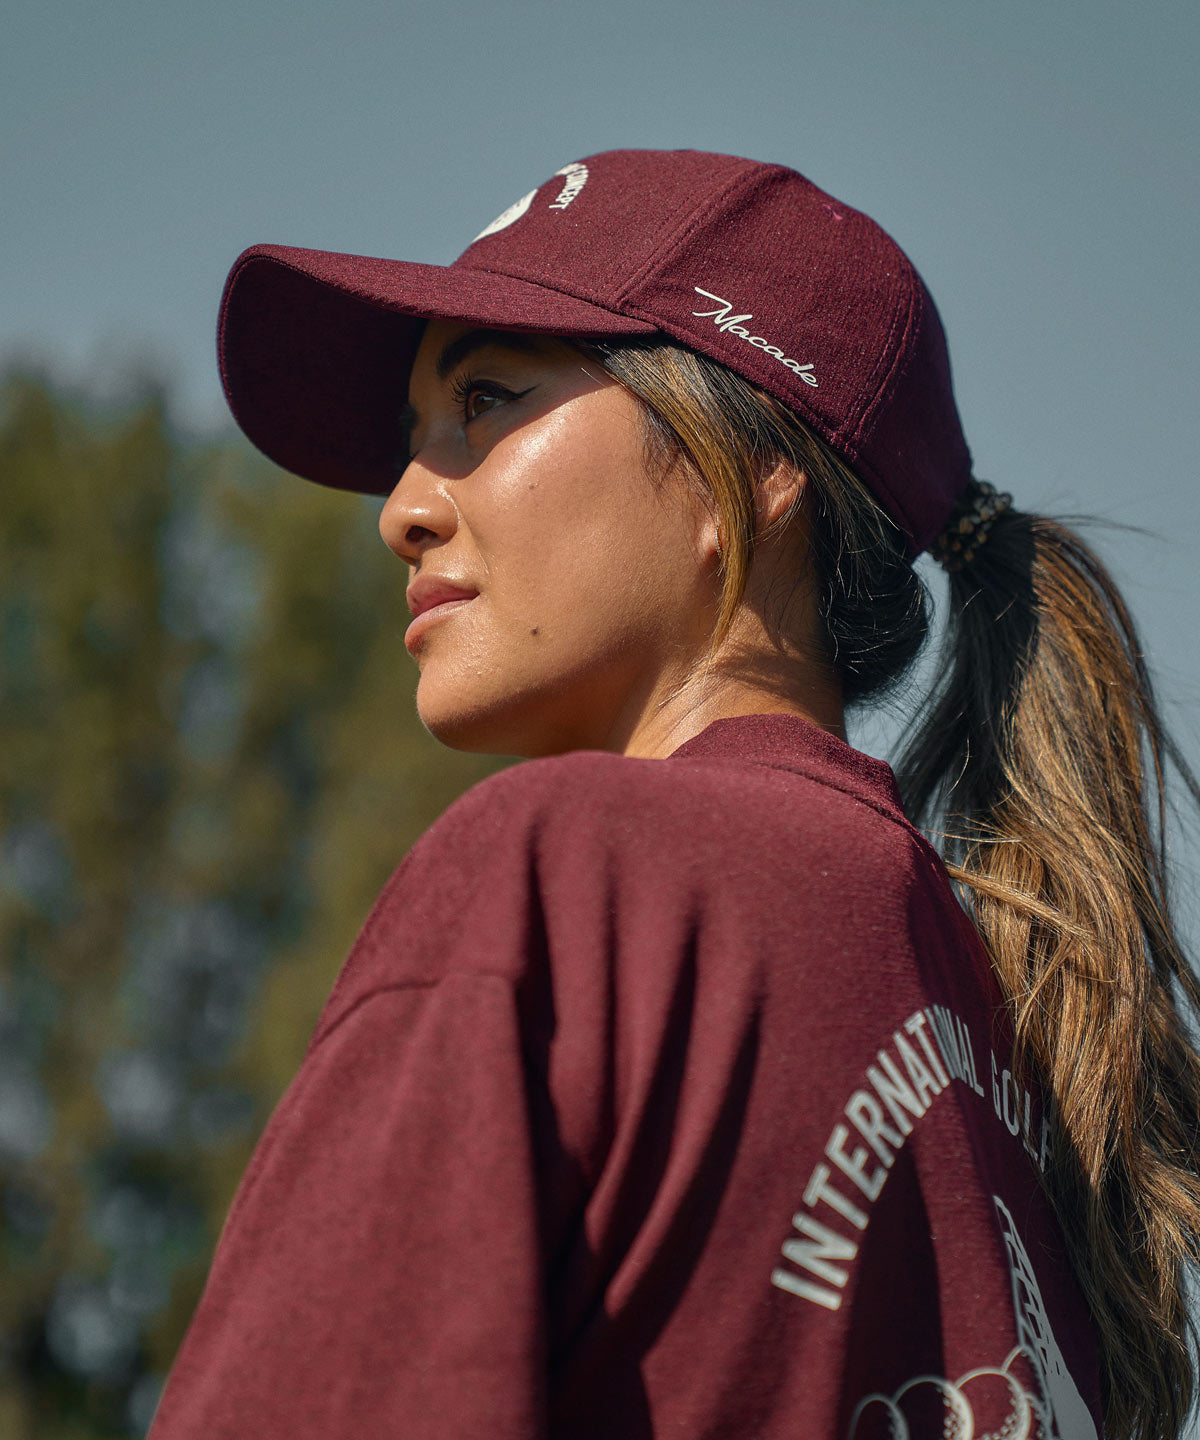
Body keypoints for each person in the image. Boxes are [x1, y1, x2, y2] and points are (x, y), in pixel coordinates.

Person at [148, 149, 1200, 1440]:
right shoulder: (1028, 1058)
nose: (404, 509)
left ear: (745, 474)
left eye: (484, 399)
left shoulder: (566, 883)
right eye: (416, 438)